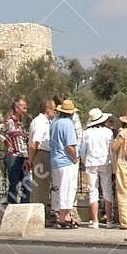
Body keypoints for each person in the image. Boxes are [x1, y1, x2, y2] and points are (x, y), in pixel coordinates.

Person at [80, 108, 116, 229]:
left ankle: (95, 221)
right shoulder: (108, 132)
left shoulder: (86, 133)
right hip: (105, 162)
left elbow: (82, 151)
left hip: (91, 163)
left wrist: (84, 160)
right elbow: (111, 150)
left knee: (93, 191)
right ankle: (109, 221)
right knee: (107, 191)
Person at [48, 98, 81, 229]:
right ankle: (65, 216)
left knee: (59, 188)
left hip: (55, 160)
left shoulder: (54, 123)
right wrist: (75, 158)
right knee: (68, 188)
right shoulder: (68, 124)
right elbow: (70, 145)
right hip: (66, 161)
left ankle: (61, 215)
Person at [0, 97, 29, 204]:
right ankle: (12, 207)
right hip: (13, 156)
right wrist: (5, 141)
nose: (25, 107)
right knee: (14, 183)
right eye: (22, 105)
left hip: (23, 157)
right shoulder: (9, 122)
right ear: (16, 108)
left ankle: (25, 206)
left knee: (27, 183)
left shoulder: (22, 124)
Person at [28, 97, 56, 221]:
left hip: (44, 154)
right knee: (40, 187)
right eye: (54, 110)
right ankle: (38, 216)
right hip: (41, 154)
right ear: (48, 109)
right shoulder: (40, 122)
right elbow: (35, 143)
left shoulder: (45, 122)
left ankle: (43, 213)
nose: (55, 112)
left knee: (44, 186)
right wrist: (30, 160)